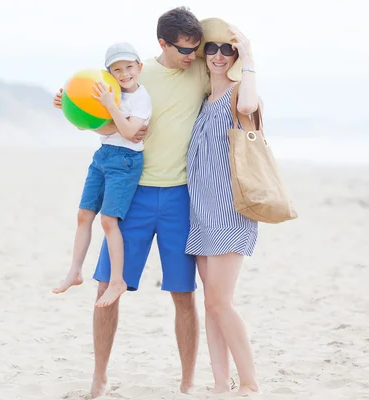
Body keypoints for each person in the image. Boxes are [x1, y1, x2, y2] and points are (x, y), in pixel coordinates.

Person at [53, 7, 210, 397]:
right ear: (162, 44)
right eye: (184, 49)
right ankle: (100, 376)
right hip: (134, 191)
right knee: (105, 287)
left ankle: (188, 380)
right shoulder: (134, 75)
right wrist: (69, 104)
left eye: (195, 48)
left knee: (183, 294)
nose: (191, 55)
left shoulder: (201, 72)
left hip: (179, 195)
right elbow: (104, 118)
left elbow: (236, 77)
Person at [185, 17, 261, 395]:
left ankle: (248, 382)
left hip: (231, 211)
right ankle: (220, 383)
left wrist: (247, 55)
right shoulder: (202, 100)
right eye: (211, 48)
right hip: (199, 213)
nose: (217, 55)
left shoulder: (237, 93)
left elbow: (249, 103)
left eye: (225, 49)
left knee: (220, 301)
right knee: (211, 306)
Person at [52, 42, 153, 308]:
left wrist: (111, 106)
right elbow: (101, 128)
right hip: (103, 156)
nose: (124, 74)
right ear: (109, 72)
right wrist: (68, 107)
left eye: (129, 67)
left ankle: (117, 280)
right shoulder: (109, 92)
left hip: (126, 161)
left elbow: (130, 133)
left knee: (109, 221)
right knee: (84, 214)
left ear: (139, 67)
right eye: (117, 70)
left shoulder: (141, 97)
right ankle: (74, 271)